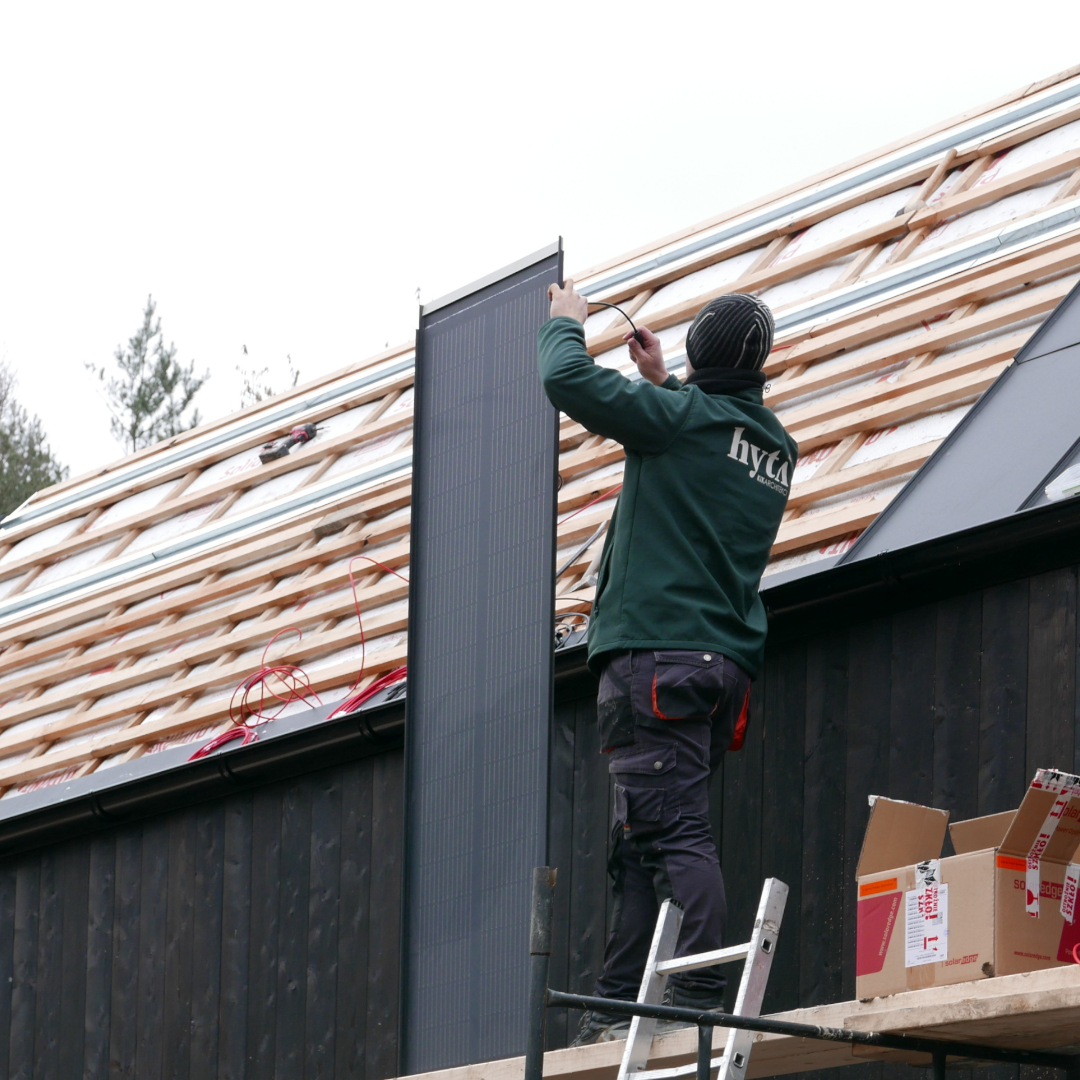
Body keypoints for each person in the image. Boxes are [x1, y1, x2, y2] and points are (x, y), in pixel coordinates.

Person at [537, 281, 798, 1045]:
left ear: (697, 353)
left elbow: (565, 379)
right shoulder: (775, 447)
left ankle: (697, 998)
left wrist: (565, 325)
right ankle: (617, 1008)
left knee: (675, 835)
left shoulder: (680, 423)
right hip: (717, 673)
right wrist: (665, 383)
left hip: (655, 660)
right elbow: (716, 427)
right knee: (641, 843)